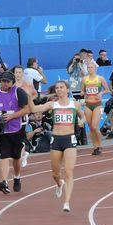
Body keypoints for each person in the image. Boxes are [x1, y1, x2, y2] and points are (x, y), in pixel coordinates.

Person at [31, 81, 82, 212]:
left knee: (69, 172)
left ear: (67, 89)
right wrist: (28, 98)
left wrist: (82, 121)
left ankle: (67, 202)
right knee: (55, 173)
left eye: (61, 87)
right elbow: (35, 109)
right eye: (57, 88)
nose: (59, 89)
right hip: (56, 140)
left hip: (70, 139)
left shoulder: (75, 104)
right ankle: (59, 183)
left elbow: (83, 116)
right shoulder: (52, 105)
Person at [0, 71, 31, 194]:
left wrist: (12, 116)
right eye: (3, 81)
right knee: (4, 155)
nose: (5, 84)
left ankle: (17, 177)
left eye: (7, 81)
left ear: (12, 82)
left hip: (16, 129)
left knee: (16, 157)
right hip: (1, 131)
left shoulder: (18, 92)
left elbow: (27, 109)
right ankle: (4, 182)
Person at [80, 59, 108, 155]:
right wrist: (82, 93)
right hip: (88, 104)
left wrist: (101, 93)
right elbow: (83, 90)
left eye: (92, 67)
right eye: (88, 67)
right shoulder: (85, 79)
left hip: (97, 105)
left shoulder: (100, 78)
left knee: (95, 126)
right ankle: (95, 147)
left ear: (95, 68)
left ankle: (99, 145)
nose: (90, 69)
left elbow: (107, 90)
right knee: (91, 127)